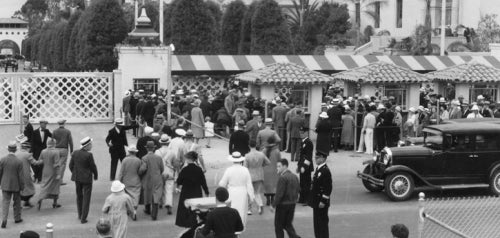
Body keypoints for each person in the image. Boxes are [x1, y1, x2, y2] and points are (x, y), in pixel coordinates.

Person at [218, 152, 255, 231]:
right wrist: (251, 197)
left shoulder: (229, 170)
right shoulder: (245, 170)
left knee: (232, 210)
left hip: (231, 192)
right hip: (242, 192)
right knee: (241, 211)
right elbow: (249, 185)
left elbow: (222, 183)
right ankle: (240, 229)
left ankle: (232, 228)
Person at [176, 151, 209, 228]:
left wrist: (178, 186)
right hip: (196, 191)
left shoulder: (184, 170)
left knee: (186, 208)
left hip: (186, 191)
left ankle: (186, 223)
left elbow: (179, 181)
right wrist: (206, 192)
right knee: (196, 208)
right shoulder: (199, 169)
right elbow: (203, 182)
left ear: (188, 159)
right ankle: (195, 222)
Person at [69, 136, 98, 224]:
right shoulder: (89, 155)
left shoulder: (75, 153)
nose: (91, 146)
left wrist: (75, 173)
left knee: (79, 196)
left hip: (77, 178)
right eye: (90, 144)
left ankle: (80, 214)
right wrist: (95, 175)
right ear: (87, 146)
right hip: (87, 178)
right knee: (86, 198)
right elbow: (93, 166)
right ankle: (83, 217)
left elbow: (71, 165)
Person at [271, 159, 300, 238]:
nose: (277, 168)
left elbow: (279, 194)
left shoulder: (282, 178)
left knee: (278, 226)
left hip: (283, 205)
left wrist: (273, 204)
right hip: (292, 204)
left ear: (285, 166)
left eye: (279, 166)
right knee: (287, 224)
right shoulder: (294, 176)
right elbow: (298, 189)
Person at [0, 141, 24, 228]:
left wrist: (0, 183)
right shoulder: (19, 161)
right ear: (15, 150)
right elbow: (21, 176)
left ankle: (4, 219)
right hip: (16, 185)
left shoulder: (2, 160)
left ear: (8, 150)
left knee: (5, 202)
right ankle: (17, 218)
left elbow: (0, 173)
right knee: (17, 202)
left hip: (5, 184)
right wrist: (22, 186)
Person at [309, 151, 332, 238]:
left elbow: (328, 188)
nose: (315, 159)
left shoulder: (325, 171)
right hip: (316, 201)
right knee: (317, 224)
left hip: (321, 202)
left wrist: (323, 201)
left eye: (317, 158)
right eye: (315, 157)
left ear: (323, 158)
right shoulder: (318, 169)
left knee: (322, 224)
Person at [140, 141, 164, 220]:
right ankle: (154, 214)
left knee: (147, 193)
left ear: (147, 148)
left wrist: (139, 173)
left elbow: (143, 169)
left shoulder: (144, 158)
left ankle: (147, 210)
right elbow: (162, 169)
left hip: (148, 178)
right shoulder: (159, 158)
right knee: (156, 195)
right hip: (157, 178)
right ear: (154, 148)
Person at [244, 141, 270, 215]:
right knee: (257, 192)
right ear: (256, 145)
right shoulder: (261, 154)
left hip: (250, 175)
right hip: (259, 174)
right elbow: (268, 162)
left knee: (250, 192)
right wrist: (261, 166)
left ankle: (249, 209)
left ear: (249, 146)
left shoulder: (247, 156)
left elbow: (245, 167)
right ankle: (260, 205)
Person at [36, 138, 62, 210]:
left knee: (44, 186)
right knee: (55, 187)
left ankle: (40, 199)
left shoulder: (43, 151)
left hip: (45, 171)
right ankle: (55, 203)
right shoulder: (56, 152)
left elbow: (40, 161)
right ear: (54, 144)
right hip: (53, 172)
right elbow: (57, 164)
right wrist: (58, 174)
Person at [118, 145, 144, 210]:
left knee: (127, 195)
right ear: (135, 152)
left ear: (129, 152)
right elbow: (140, 171)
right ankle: (135, 207)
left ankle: (129, 207)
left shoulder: (125, 160)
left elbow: (121, 172)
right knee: (136, 195)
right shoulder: (138, 160)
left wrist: (119, 181)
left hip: (126, 181)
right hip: (136, 181)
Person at [155, 135, 175, 214]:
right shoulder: (172, 152)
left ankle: (160, 202)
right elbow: (174, 162)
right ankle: (169, 205)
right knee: (169, 189)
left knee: (160, 188)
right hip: (169, 171)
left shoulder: (157, 152)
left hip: (160, 172)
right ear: (168, 142)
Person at [52, 119, 73, 185]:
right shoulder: (67, 131)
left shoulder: (54, 131)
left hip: (56, 149)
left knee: (56, 164)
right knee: (62, 165)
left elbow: (52, 141)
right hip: (64, 149)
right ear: (64, 124)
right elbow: (70, 142)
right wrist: (71, 151)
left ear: (59, 124)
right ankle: (60, 180)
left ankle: (55, 179)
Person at [31, 119, 52, 183]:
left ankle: (39, 179)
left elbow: (52, 136)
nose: (45, 126)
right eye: (44, 124)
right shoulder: (35, 132)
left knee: (42, 164)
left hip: (43, 150)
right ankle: (35, 176)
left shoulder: (47, 131)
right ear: (40, 124)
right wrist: (32, 151)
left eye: (46, 124)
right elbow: (32, 142)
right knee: (35, 164)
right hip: (36, 150)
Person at [297, 127, 313, 204]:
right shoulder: (302, 142)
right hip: (302, 165)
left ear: (306, 133)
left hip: (306, 166)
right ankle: (302, 198)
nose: (301, 134)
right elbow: (301, 156)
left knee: (307, 183)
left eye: (302, 132)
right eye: (300, 132)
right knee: (302, 183)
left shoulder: (308, 142)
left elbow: (308, 156)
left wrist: (304, 167)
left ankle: (307, 199)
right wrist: (299, 166)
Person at [263, 136, 280, 207]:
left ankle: (267, 199)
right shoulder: (277, 151)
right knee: (274, 185)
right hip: (274, 170)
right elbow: (279, 161)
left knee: (267, 185)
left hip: (266, 170)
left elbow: (262, 160)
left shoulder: (264, 150)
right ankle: (273, 199)